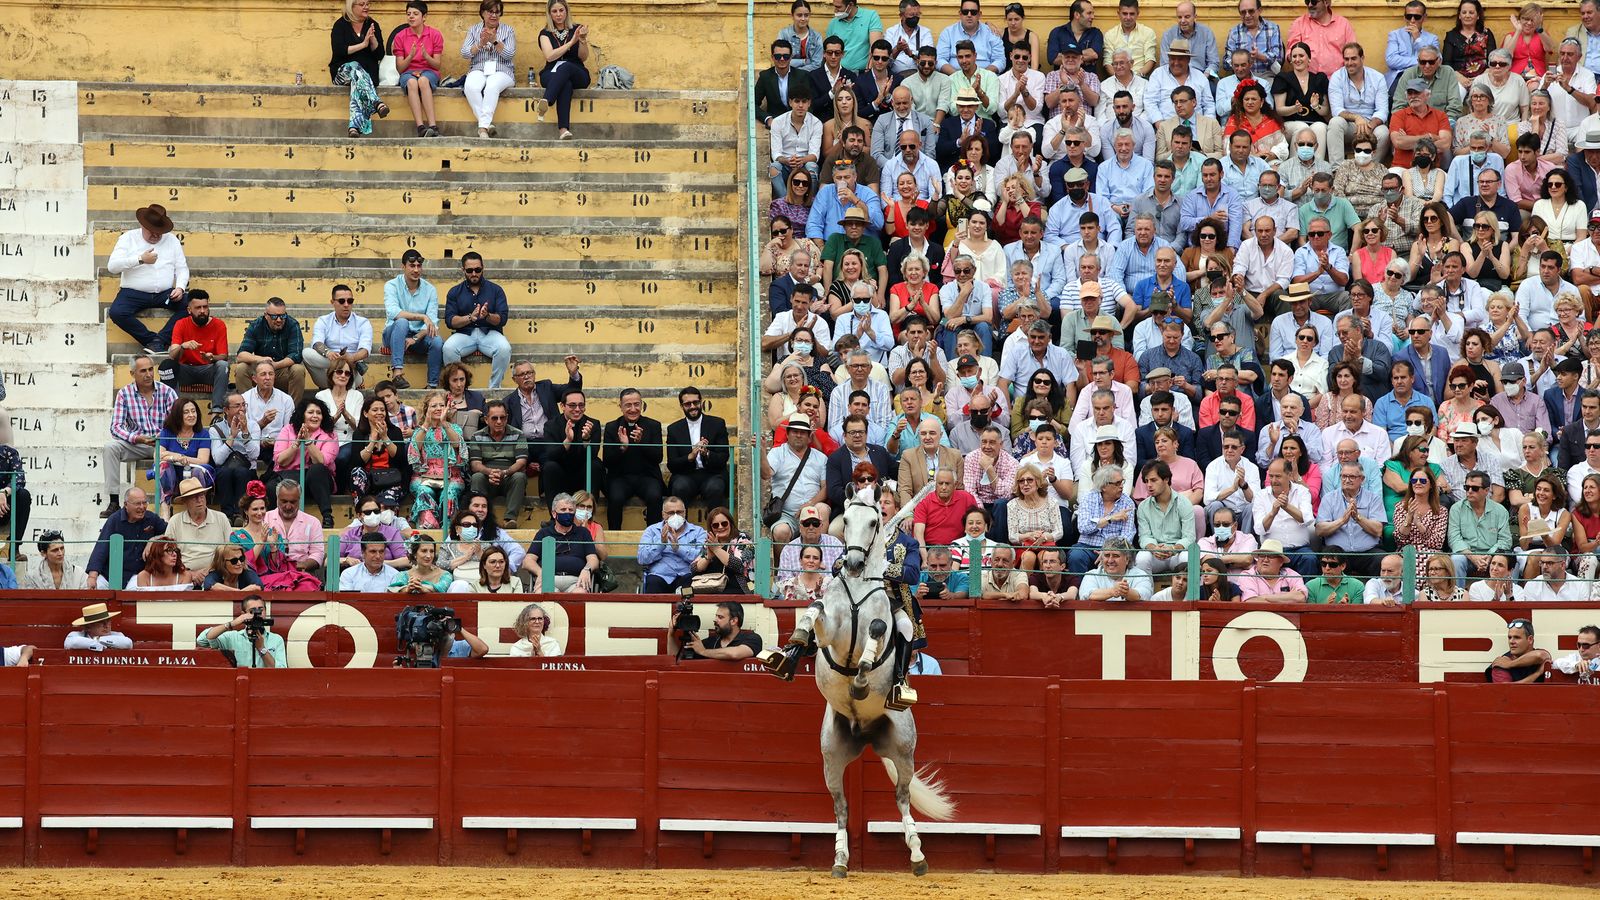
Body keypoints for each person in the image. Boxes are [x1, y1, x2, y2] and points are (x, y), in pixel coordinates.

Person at [101, 355, 177, 518]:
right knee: (110, 448)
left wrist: (163, 435)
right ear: (132, 373)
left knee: (167, 458)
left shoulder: (167, 392)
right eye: (143, 371)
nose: (148, 374)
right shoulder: (124, 394)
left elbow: (178, 422)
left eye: (150, 369)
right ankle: (114, 502)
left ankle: (167, 503)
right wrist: (137, 438)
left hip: (163, 443)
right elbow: (115, 427)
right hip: (137, 443)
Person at [106, 203, 187, 354]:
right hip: (133, 292)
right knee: (117, 312)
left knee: (191, 305)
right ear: (143, 226)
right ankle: (153, 340)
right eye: (152, 231)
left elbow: (182, 268)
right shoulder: (128, 238)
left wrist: (180, 287)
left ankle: (159, 341)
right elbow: (112, 267)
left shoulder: (172, 240)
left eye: (159, 232)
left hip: (165, 293)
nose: (156, 235)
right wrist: (140, 259)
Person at [440, 252, 511, 390]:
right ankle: (457, 389)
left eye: (477, 270)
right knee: (448, 348)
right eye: (469, 270)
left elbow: (502, 319)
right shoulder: (454, 292)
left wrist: (487, 316)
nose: (474, 273)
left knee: (504, 348)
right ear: (463, 270)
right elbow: (450, 321)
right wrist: (469, 318)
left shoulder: (496, 290)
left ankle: (494, 389)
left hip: (489, 332)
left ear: (483, 268)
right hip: (464, 334)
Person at [157, 291, 229, 415]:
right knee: (167, 366)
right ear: (189, 310)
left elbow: (224, 356)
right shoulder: (181, 324)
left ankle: (216, 412)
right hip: (186, 370)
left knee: (223, 365)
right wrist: (182, 347)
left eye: (205, 307)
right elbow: (172, 356)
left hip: (208, 370)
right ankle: (175, 411)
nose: (202, 311)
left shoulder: (219, 325)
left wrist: (212, 358)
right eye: (198, 308)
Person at [382, 249, 443, 390]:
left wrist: (415, 338)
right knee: (402, 322)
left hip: (418, 337)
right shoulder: (391, 285)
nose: (416, 270)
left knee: (437, 341)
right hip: (394, 335)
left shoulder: (430, 290)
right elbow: (393, 312)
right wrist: (421, 316)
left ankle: (432, 385)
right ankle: (397, 373)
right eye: (412, 266)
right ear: (403, 266)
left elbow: (432, 322)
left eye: (419, 266)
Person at [330, 0, 389, 137]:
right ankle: (375, 101)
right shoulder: (340, 25)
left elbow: (380, 55)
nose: (366, 7)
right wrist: (363, 45)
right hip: (342, 73)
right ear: (351, 7)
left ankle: (353, 127)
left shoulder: (372, 24)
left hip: (366, 77)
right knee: (355, 66)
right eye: (362, 4)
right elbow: (339, 51)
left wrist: (372, 40)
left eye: (367, 4)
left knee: (358, 82)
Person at [460, 0, 516, 138]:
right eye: (490, 12)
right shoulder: (474, 30)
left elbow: (509, 54)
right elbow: (465, 53)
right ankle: (486, 124)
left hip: (502, 70)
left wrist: (495, 41)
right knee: (470, 86)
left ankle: (482, 128)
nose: (494, 15)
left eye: (497, 12)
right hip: (479, 68)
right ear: (483, 13)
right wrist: (480, 44)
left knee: (492, 85)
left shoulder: (508, 30)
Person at [536, 0, 590, 140]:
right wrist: (572, 42)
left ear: (566, 11)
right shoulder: (545, 33)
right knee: (565, 84)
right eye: (554, 11)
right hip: (552, 72)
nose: (558, 14)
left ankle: (547, 100)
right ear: (549, 14)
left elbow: (583, 57)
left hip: (577, 71)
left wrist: (582, 40)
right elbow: (550, 56)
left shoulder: (576, 29)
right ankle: (563, 130)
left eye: (561, 10)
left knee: (566, 66)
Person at [392, 0, 443, 137]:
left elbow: (437, 65)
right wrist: (410, 56)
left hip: (429, 71)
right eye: (408, 14)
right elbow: (400, 68)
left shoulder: (435, 34)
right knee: (412, 82)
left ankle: (433, 126)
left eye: (415, 14)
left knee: (423, 81)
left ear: (424, 17)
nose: (411, 17)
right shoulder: (400, 36)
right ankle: (420, 127)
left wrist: (426, 56)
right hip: (408, 72)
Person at [164, 476, 229, 581]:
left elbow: (229, 549)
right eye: (194, 497)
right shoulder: (175, 521)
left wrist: (211, 570)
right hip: (183, 574)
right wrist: (189, 573)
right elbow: (168, 553)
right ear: (185, 501)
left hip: (216, 572)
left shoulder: (221, 518)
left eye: (202, 495)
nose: (199, 500)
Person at [636, 496, 704, 593]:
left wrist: (678, 549)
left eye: (679, 512)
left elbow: (702, 557)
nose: (675, 516)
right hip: (660, 575)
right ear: (663, 514)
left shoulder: (698, 531)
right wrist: (661, 544)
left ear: (685, 512)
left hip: (686, 575)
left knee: (690, 585)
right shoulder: (652, 531)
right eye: (671, 513)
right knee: (653, 582)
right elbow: (642, 559)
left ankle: (685, 603)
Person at [196, 594, 286, 667]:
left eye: (261, 610)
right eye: (252, 611)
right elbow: (202, 640)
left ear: (265, 611)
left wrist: (262, 649)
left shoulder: (276, 639)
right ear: (243, 614)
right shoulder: (233, 637)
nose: (257, 614)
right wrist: (232, 624)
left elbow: (281, 671)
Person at [156, 398, 214, 507]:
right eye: (186, 412)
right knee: (164, 466)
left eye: (193, 411)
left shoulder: (203, 434)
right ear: (177, 415)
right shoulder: (167, 432)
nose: (191, 415)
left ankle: (198, 508)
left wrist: (176, 456)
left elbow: (203, 460)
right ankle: (165, 507)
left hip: (193, 476)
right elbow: (158, 456)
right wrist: (176, 457)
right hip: (173, 477)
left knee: (198, 471)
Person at [690, 506, 754, 594]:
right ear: (711, 528)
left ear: (730, 523)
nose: (720, 527)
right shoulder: (710, 542)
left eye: (724, 523)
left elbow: (739, 565)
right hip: (709, 587)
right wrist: (708, 558)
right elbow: (694, 568)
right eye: (715, 525)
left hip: (736, 588)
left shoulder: (743, 539)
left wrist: (716, 550)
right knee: (685, 586)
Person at [671, 600, 762, 661]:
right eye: (716, 616)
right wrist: (671, 634)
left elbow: (735, 654)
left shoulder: (752, 638)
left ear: (734, 621)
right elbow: (675, 661)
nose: (715, 620)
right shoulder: (709, 642)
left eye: (720, 617)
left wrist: (703, 652)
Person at [1485, 617, 1551, 682]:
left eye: (1517, 637)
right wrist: (1537, 674)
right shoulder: (1500, 663)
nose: (1511, 641)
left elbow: (1540, 655)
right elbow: (1507, 688)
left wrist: (1510, 664)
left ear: (1530, 639)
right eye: (1509, 637)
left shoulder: (1538, 655)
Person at [64, 603, 134, 652]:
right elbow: (72, 643)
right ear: (88, 627)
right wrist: (98, 644)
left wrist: (98, 639)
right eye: (101, 622)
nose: (106, 626)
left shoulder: (117, 635)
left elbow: (128, 643)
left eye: (108, 621)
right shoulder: (76, 635)